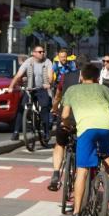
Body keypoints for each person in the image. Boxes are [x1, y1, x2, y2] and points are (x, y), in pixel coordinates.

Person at [60, 64, 109, 216]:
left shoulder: (72, 90)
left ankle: (77, 214)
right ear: (98, 78)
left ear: (81, 77)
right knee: (106, 153)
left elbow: (65, 115)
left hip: (86, 128)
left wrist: (67, 125)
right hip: (106, 126)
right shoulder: (105, 89)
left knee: (82, 171)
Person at [47, 55, 84, 191]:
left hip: (66, 117)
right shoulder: (93, 80)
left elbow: (58, 95)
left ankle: (56, 174)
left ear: (75, 64)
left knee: (60, 143)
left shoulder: (66, 77)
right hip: (82, 119)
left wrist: (54, 108)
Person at [7, 45, 53, 142]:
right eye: (40, 52)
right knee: (21, 107)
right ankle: (16, 132)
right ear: (34, 53)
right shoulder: (28, 62)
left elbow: (50, 75)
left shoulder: (47, 62)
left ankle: (46, 132)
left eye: (43, 51)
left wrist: (49, 82)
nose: (42, 53)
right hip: (30, 89)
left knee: (45, 108)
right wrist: (11, 87)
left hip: (42, 88)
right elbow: (18, 75)